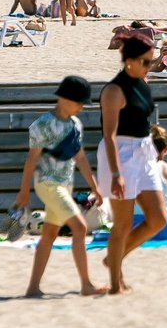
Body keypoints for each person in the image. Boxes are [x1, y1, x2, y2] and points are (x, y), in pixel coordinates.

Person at [13, 75, 107, 298]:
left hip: (65, 186)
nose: (82, 107)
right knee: (80, 227)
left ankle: (33, 287)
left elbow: (81, 158)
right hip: (47, 184)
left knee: (49, 235)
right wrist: (24, 191)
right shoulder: (42, 125)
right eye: (79, 102)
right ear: (65, 99)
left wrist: (95, 187)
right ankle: (86, 285)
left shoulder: (76, 124)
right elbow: (31, 159)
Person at [97, 37, 167, 294]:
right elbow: (109, 135)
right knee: (123, 224)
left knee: (159, 218)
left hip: (143, 151)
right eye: (146, 61)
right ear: (129, 61)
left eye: (153, 60)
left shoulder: (142, 83)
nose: (151, 65)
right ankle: (116, 285)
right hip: (121, 154)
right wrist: (116, 173)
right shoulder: (114, 91)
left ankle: (114, 258)